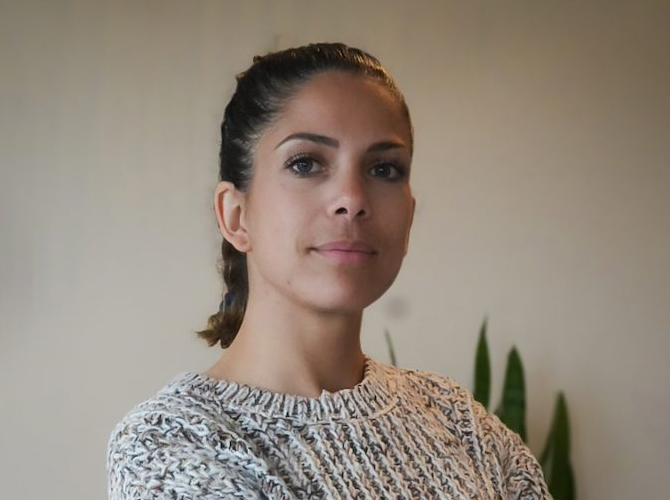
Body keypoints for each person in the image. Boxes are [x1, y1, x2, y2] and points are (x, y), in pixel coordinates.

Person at [107, 42, 552, 500]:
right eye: (306, 163)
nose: (352, 198)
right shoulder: (171, 444)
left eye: (384, 168)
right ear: (236, 215)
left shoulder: (460, 421)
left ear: (409, 218)